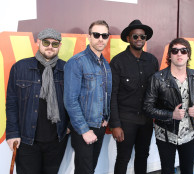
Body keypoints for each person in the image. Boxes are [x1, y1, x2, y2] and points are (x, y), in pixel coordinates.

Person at [6, 28, 69, 174]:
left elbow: (74, 99)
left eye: (55, 44)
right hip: (28, 140)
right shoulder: (20, 68)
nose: (50, 47)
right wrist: (12, 133)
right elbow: (12, 103)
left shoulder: (66, 68)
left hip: (56, 140)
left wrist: (70, 125)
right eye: (46, 42)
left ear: (59, 46)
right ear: (38, 42)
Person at [144, 38, 194, 174]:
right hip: (166, 134)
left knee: (188, 170)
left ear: (188, 55)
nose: (179, 54)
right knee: (167, 171)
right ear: (169, 55)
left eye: (183, 51)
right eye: (175, 51)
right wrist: (171, 115)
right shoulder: (157, 78)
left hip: (189, 134)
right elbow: (147, 107)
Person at [109, 19, 159, 174]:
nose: (139, 39)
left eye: (142, 37)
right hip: (126, 120)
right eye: (135, 36)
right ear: (128, 38)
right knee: (123, 157)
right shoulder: (118, 62)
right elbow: (112, 95)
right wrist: (115, 125)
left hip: (146, 120)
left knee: (143, 155)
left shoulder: (152, 60)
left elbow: (156, 91)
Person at [63, 20, 112, 174]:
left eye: (104, 35)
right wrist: (84, 130)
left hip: (99, 126)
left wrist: (106, 117)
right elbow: (70, 100)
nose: (100, 39)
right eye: (96, 35)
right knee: (84, 170)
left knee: (91, 169)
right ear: (89, 37)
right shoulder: (77, 62)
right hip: (84, 127)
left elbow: (105, 94)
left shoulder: (105, 64)